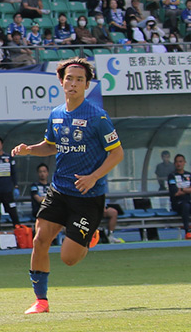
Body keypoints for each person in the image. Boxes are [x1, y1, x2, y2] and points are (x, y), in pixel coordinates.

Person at [11, 58, 124, 315]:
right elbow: (50, 146)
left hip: (87, 195)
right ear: (61, 82)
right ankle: (41, 301)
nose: (73, 83)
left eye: (79, 80)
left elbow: (117, 153)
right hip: (59, 190)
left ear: (86, 85)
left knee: (69, 258)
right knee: (40, 240)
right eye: (69, 78)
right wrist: (30, 149)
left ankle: (89, 235)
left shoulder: (98, 117)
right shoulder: (56, 114)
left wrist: (93, 176)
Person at [167, 154, 191, 239]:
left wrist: (182, 189)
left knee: (187, 205)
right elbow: (175, 192)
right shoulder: (172, 176)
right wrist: (187, 190)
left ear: (184, 162)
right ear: (174, 163)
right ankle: (187, 231)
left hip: (188, 201)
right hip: (177, 203)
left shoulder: (189, 175)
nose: (179, 164)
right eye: (177, 162)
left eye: (180, 162)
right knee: (185, 206)